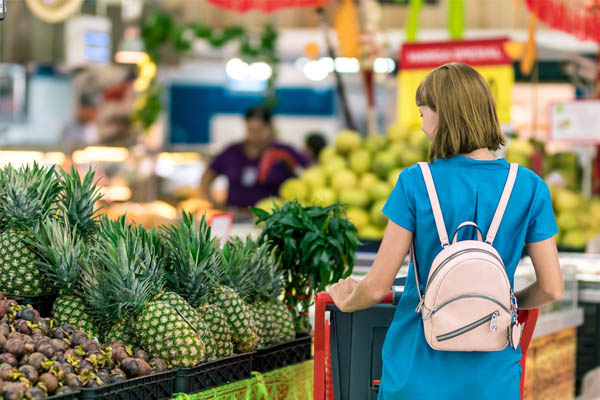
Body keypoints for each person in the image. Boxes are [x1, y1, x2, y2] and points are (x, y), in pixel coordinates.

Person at [328, 62, 563, 399]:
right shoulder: (528, 187)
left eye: (423, 114)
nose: (423, 127)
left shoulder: (415, 183)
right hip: (494, 373)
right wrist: (508, 303)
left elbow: (377, 284)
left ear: (442, 116)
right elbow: (552, 288)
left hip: (417, 367)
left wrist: (346, 301)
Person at [200, 106, 310, 208]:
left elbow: (309, 173)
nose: (254, 134)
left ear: (270, 128)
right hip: (235, 215)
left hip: (274, 218)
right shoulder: (232, 151)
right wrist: (213, 203)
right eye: (251, 130)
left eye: (259, 130)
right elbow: (207, 178)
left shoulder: (284, 152)